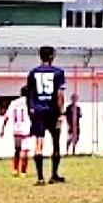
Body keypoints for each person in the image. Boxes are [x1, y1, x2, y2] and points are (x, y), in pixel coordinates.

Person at [23, 47, 67, 185]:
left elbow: (28, 94)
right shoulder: (58, 72)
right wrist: (61, 113)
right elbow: (60, 94)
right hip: (52, 110)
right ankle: (54, 175)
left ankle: (40, 178)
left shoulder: (32, 73)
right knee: (56, 142)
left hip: (38, 111)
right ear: (52, 56)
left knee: (38, 143)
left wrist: (30, 110)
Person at [0, 94, 32, 177]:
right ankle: (23, 172)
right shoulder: (29, 102)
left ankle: (15, 170)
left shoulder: (14, 102)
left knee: (17, 150)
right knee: (24, 151)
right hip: (25, 129)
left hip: (16, 129)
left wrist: (3, 129)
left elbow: (7, 117)